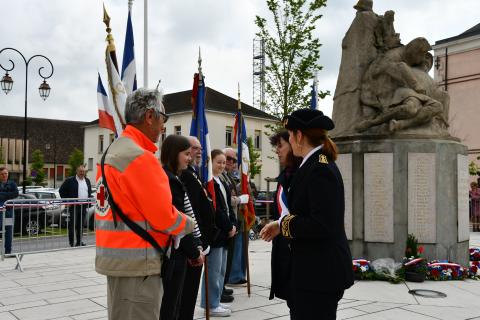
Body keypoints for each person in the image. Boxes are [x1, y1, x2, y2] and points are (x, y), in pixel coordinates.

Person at [95, 88, 195, 320]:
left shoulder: (114, 151)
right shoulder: (140, 158)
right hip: (139, 265)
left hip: (119, 261)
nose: (164, 126)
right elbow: (164, 217)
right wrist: (189, 224)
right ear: (150, 116)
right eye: (163, 117)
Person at [261, 108, 354, 319]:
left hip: (319, 275)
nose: (290, 140)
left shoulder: (319, 168)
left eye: (290, 135)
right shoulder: (312, 164)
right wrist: (280, 224)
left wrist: (283, 225)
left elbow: (322, 224)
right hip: (312, 272)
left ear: (299, 136)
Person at [160, 134, 204, 319]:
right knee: (171, 306)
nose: (189, 157)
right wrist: (194, 252)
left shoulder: (174, 178)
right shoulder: (170, 181)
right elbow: (179, 223)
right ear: (173, 154)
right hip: (175, 254)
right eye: (186, 153)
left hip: (179, 252)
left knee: (175, 304)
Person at [261, 130, 301, 316]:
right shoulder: (286, 175)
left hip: (298, 250)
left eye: (280, 145)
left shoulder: (302, 175)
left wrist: (280, 226)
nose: (277, 151)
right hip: (285, 246)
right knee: (293, 303)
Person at [178, 136, 216, 320]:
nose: (199, 152)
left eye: (200, 148)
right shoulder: (184, 175)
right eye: (194, 148)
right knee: (186, 293)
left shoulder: (193, 173)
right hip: (193, 242)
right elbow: (191, 212)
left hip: (200, 241)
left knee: (190, 293)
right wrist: (199, 241)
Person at [201, 149, 237, 317]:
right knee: (213, 271)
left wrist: (233, 225)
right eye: (219, 162)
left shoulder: (221, 181)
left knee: (221, 270)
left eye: (224, 162)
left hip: (225, 232)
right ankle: (211, 304)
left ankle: (215, 300)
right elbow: (216, 209)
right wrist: (228, 226)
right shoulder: (209, 182)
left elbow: (228, 207)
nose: (222, 165)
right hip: (217, 233)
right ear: (211, 162)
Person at [222, 148, 248, 292]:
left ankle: (224, 285)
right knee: (222, 259)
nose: (231, 162)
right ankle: (223, 286)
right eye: (228, 158)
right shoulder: (219, 176)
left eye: (234, 160)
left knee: (232, 254)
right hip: (224, 221)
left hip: (234, 219)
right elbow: (224, 199)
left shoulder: (229, 176)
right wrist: (239, 199)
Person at [59, 165, 92, 247]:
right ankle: (72, 242)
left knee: (80, 225)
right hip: (74, 206)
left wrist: (89, 201)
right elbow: (61, 190)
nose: (82, 173)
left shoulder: (87, 181)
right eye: (80, 171)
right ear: (76, 172)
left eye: (83, 171)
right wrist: (66, 201)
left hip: (83, 206)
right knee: (72, 225)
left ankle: (79, 241)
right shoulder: (70, 180)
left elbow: (89, 192)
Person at [0, 167, 18, 255]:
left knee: (9, 231)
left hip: (9, 211)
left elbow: (16, 194)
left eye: (6, 173)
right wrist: (8, 195)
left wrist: (2, 195)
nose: (4, 175)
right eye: (2, 174)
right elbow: (12, 194)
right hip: (0, 211)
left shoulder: (12, 184)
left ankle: (8, 251)